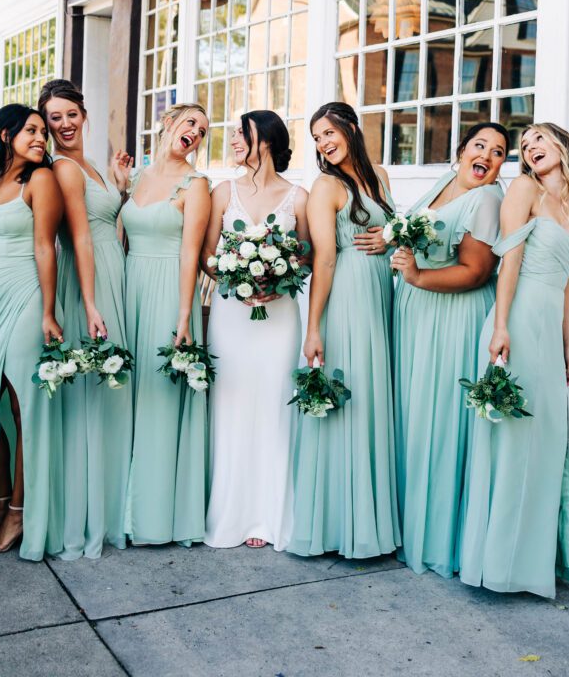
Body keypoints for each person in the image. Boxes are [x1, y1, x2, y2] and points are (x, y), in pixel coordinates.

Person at [460, 123, 569, 598]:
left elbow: (568, 282)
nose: (529, 147)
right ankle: (497, 563)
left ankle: (534, 561)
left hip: (549, 331)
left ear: (561, 144)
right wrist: (500, 326)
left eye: (538, 138)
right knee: (510, 440)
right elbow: (510, 263)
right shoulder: (523, 189)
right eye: (523, 145)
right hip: (516, 322)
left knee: (545, 442)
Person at [391, 122, 508, 578]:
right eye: (480, 145)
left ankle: (438, 537)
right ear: (461, 151)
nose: (487, 155)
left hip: (452, 319)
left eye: (498, 152)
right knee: (416, 420)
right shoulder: (444, 183)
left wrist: (418, 277)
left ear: (500, 167)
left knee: (439, 424)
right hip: (418, 317)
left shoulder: (488, 199)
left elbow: (476, 271)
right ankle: (409, 526)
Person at [287, 101, 400, 560]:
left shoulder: (381, 177)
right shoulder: (325, 186)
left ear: (351, 128)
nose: (323, 143)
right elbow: (325, 258)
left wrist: (389, 236)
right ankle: (342, 525)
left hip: (381, 294)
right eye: (316, 138)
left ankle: (374, 520)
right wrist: (313, 327)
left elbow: (394, 229)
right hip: (348, 296)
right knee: (350, 396)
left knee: (373, 397)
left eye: (328, 132)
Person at [0, 104, 63, 558]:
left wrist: (48, 311)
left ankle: (20, 510)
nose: (42, 137)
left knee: (21, 405)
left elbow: (45, 247)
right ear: (5, 135)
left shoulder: (39, 181)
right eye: (32, 130)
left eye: (44, 131)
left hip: (24, 300)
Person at [202, 111, 309, 550]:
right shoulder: (222, 191)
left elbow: (306, 255)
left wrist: (275, 279)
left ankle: (267, 517)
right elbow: (208, 251)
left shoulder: (298, 197)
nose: (232, 141)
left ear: (264, 139)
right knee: (232, 404)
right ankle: (232, 513)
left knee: (274, 407)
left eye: (240, 134)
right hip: (231, 316)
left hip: (279, 319)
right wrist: (233, 277)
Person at [38, 79, 133, 560]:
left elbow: (105, 223)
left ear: (83, 112)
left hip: (110, 276)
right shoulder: (63, 169)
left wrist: (118, 186)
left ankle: (112, 505)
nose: (64, 124)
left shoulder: (87, 164)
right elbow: (80, 239)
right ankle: (90, 514)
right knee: (94, 401)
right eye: (54, 118)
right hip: (88, 283)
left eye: (70, 114)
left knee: (108, 395)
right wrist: (91, 304)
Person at [117, 103, 211, 545]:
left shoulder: (197, 184)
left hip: (168, 294)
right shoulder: (137, 178)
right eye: (190, 122)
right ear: (168, 124)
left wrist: (184, 314)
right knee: (124, 396)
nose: (195, 131)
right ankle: (119, 503)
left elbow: (190, 255)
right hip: (129, 289)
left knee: (157, 399)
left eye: (203, 130)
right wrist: (119, 190)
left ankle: (152, 515)